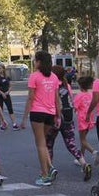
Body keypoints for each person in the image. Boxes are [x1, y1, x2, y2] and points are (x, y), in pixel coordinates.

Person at [26, 51, 61, 186]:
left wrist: (24, 117)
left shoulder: (34, 76)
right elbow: (56, 98)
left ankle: (45, 174)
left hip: (37, 112)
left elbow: (30, 97)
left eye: (35, 61)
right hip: (50, 113)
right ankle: (50, 168)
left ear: (39, 62)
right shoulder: (54, 77)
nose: (34, 63)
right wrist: (58, 114)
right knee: (44, 143)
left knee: (40, 144)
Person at [73, 75, 98, 166]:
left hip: (82, 119)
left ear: (80, 86)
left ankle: (93, 151)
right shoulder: (91, 94)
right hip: (89, 118)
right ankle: (81, 157)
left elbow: (75, 107)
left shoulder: (79, 96)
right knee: (84, 139)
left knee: (82, 140)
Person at [0, 64, 20, 130]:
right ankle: (2, 124)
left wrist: (8, 92)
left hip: (6, 94)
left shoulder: (7, 77)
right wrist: (2, 93)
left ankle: (14, 124)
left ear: (3, 69)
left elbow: (10, 86)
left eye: (0, 68)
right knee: (0, 109)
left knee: (10, 108)